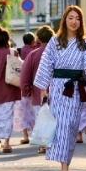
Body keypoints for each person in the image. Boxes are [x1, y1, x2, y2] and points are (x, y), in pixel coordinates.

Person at [34, 5, 86, 171]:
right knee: (61, 125)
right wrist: (44, 87)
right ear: (65, 20)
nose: (74, 21)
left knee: (71, 126)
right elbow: (46, 64)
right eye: (70, 18)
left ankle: (66, 164)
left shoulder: (85, 43)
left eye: (77, 18)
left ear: (81, 21)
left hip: (76, 88)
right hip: (59, 87)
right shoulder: (55, 41)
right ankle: (64, 168)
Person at [20, 25, 55, 153]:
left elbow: (25, 74)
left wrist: (26, 89)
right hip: (57, 92)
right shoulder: (59, 52)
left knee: (40, 119)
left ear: (38, 38)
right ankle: (53, 142)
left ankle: (43, 144)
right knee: (55, 118)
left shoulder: (33, 54)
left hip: (37, 93)